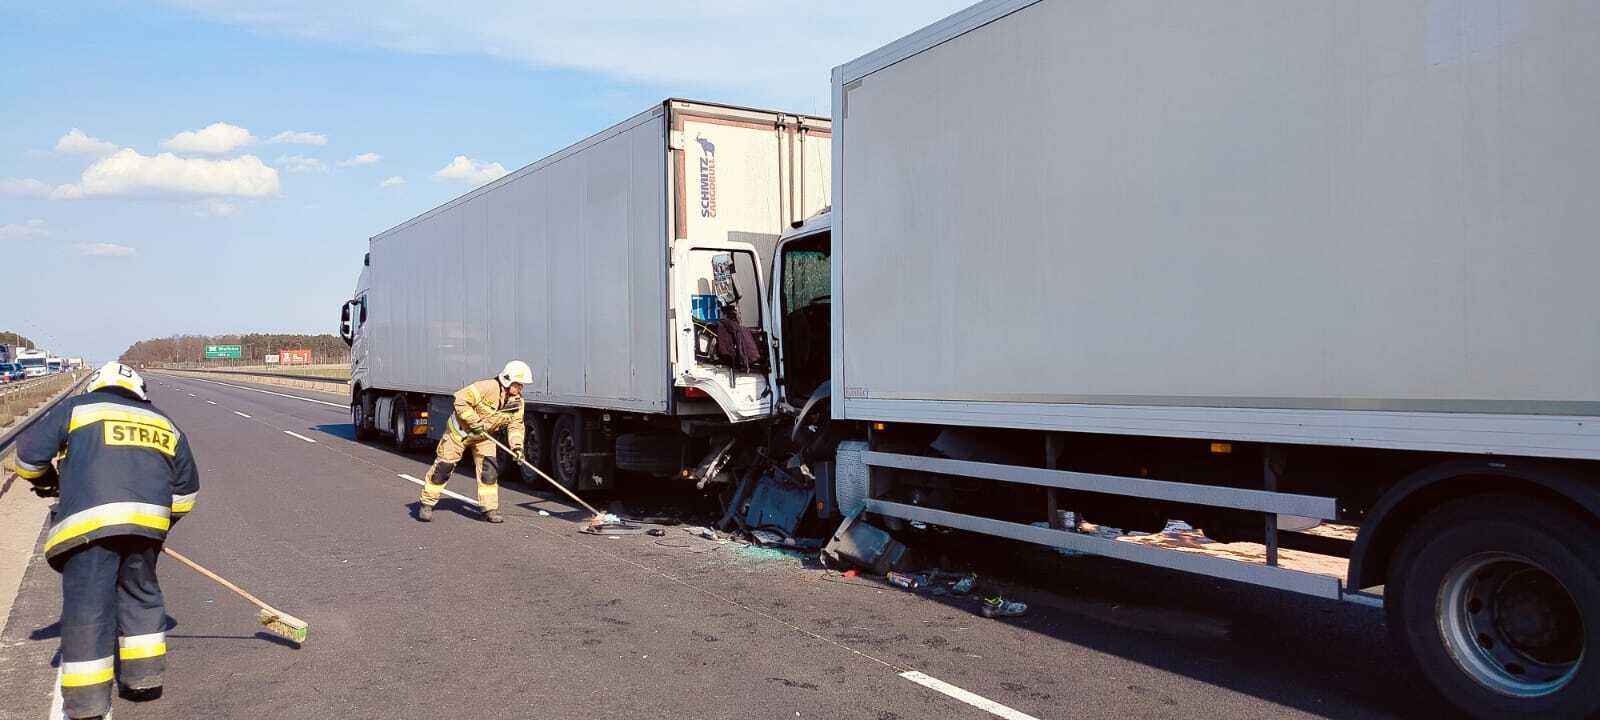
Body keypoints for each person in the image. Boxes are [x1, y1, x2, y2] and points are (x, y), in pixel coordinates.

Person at [13, 362, 199, 720]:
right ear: (139, 390)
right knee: (141, 597)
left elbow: (27, 459)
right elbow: (186, 493)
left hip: (89, 527)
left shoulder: (77, 409)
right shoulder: (164, 422)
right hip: (146, 527)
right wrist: (156, 526)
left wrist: (49, 481)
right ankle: (144, 680)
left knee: (88, 609)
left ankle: (86, 704)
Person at [417, 360, 530, 524]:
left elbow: (516, 426)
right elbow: (460, 400)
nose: (521, 389)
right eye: (518, 384)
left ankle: (489, 509)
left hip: (485, 437)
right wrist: (475, 422)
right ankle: (427, 503)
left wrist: (517, 447)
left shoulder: (517, 402)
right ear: (507, 380)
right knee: (444, 467)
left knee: (489, 471)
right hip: (459, 433)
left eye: (522, 385)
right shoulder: (487, 387)